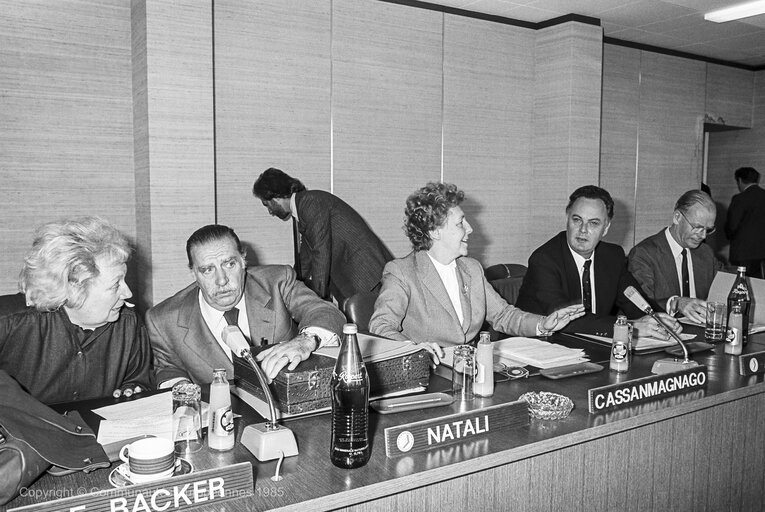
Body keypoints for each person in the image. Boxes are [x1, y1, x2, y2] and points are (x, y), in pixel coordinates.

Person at [368, 182, 584, 361]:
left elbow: (503, 315)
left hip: (471, 368)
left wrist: (543, 324)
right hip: (428, 371)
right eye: (461, 223)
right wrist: (414, 350)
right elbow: (381, 325)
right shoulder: (402, 272)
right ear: (434, 232)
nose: (470, 229)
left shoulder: (471, 268)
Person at [146, 224, 346, 387]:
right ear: (193, 273)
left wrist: (305, 340)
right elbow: (168, 369)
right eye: (207, 270)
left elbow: (325, 312)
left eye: (229, 264)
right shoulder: (163, 320)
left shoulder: (277, 282)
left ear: (243, 261)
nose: (222, 280)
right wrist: (184, 392)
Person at [0, 216, 153, 404]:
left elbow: (139, 380)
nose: (127, 293)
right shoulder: (9, 322)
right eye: (115, 285)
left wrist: (131, 391)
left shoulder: (129, 324)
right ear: (73, 288)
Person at [515, 185, 681, 338]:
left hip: (591, 345)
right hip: (541, 347)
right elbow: (566, 320)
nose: (583, 230)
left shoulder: (612, 257)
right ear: (567, 219)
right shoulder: (544, 260)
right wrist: (631, 327)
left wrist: (657, 319)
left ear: (606, 228)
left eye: (593, 223)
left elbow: (634, 302)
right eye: (577, 220)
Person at [252, 168, 394, 305]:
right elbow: (306, 259)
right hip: (360, 276)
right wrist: (291, 286)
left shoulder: (310, 202)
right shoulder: (303, 208)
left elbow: (321, 251)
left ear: (275, 197)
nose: (270, 211)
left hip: (366, 274)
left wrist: (316, 300)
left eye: (267, 205)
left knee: (378, 325)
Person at [628, 190, 723, 323]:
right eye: (697, 227)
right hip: (662, 332)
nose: (703, 236)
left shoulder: (706, 252)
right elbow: (640, 304)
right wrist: (676, 303)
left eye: (708, 229)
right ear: (677, 217)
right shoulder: (644, 254)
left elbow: (724, 288)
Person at [725, 166, 765, 279]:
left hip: (742, 253)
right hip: (762, 253)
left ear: (740, 180)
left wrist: (728, 234)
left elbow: (732, 225)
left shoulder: (740, 198)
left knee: (741, 285)